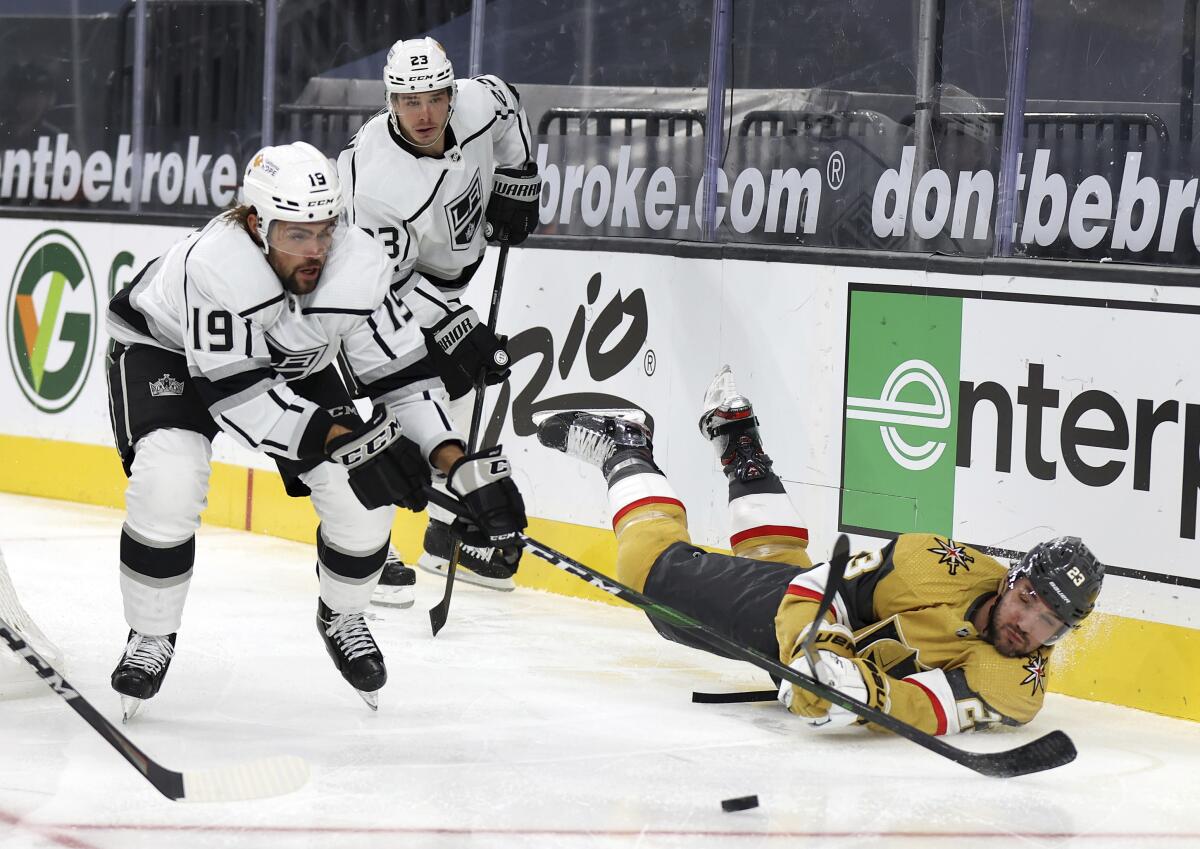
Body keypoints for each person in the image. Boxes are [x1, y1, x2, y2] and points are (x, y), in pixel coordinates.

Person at [104, 141, 526, 717]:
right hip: (168, 353)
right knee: (169, 482)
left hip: (289, 362)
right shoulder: (214, 269)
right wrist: (351, 440)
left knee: (362, 500)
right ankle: (151, 634)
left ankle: (343, 612)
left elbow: (399, 369)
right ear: (257, 224)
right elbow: (241, 401)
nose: (316, 251)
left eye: (325, 231)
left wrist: (455, 462)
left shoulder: (357, 261)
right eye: (297, 235)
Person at [534, 366, 1104, 734]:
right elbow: (813, 587)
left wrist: (853, 692)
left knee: (772, 569)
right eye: (1029, 598)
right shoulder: (932, 565)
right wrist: (815, 648)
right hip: (816, 613)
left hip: (835, 638)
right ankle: (624, 448)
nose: (1027, 625)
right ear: (1012, 579)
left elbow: (923, 707)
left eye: (1049, 621)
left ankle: (740, 444)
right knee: (649, 579)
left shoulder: (1018, 686)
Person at [337, 36, 541, 597]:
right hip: (371, 301)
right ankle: (363, 551)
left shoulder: (475, 104)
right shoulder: (371, 179)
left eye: (434, 98)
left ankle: (447, 536)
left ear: (452, 92)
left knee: (465, 399)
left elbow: (509, 104)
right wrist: (452, 320)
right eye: (408, 101)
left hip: (447, 280)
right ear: (389, 101)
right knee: (390, 417)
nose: (424, 114)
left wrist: (516, 178)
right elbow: (379, 283)